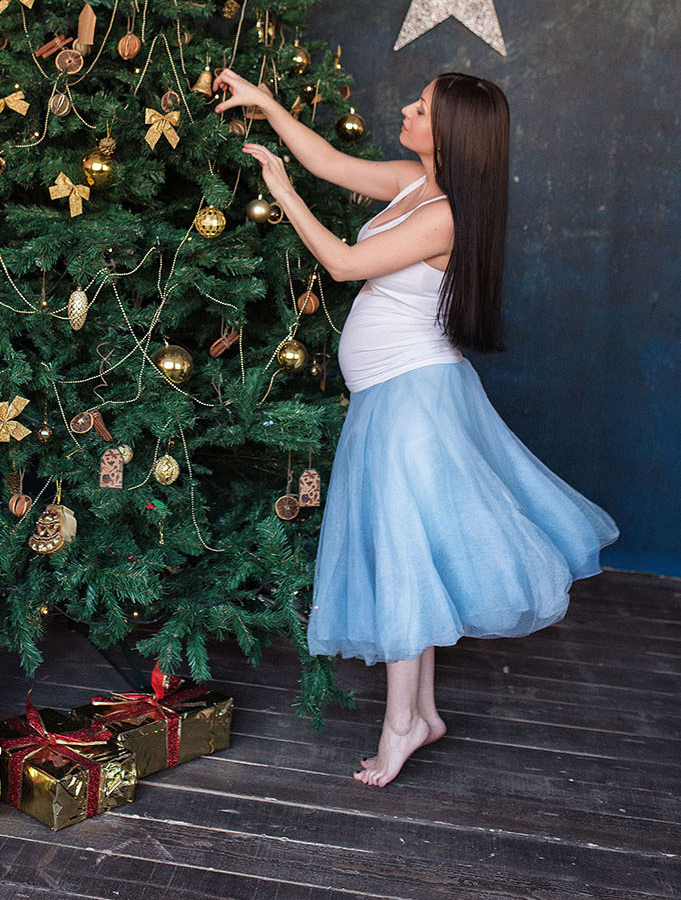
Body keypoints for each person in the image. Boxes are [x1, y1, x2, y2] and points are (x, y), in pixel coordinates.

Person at [213, 68, 618, 788]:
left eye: (421, 108)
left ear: (451, 133)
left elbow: (341, 265)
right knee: (409, 554)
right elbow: (331, 163)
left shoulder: (445, 215)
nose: (405, 108)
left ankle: (400, 724)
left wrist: (279, 192)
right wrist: (268, 107)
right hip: (390, 397)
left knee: (403, 555)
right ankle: (421, 712)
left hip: (411, 401)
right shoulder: (410, 181)